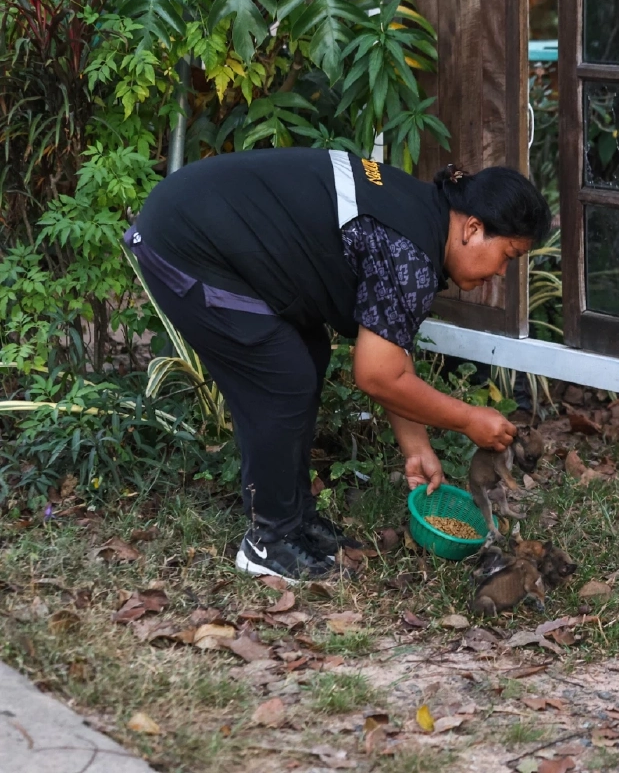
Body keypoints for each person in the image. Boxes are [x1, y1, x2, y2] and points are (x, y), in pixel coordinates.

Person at [126, 148, 551, 582]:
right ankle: (268, 541)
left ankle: (295, 523)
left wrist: (417, 446)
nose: (501, 273)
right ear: (473, 228)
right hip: (185, 242)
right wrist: (468, 419)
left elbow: (390, 351)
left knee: (307, 355)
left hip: (199, 226)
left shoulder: (422, 217)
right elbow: (375, 375)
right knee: (284, 377)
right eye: (508, 256)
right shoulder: (411, 251)